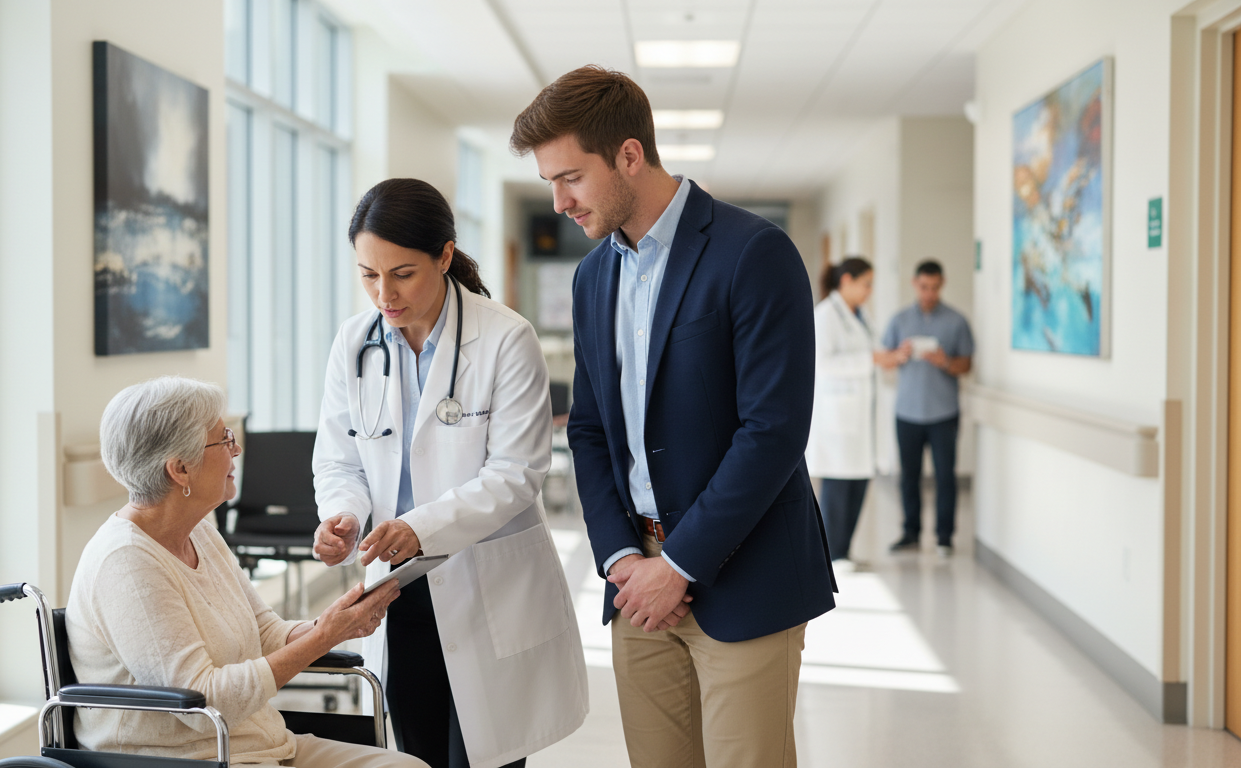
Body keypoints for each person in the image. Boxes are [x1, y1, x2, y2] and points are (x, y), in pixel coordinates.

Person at [511, 66, 837, 768]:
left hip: (745, 575)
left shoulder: (753, 252)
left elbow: (773, 430)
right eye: (550, 183)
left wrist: (680, 565)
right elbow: (589, 429)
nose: (560, 202)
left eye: (571, 178)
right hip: (637, 584)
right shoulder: (593, 277)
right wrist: (622, 558)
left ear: (629, 155)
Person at [311, 178, 588, 768]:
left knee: (485, 756)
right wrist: (343, 514)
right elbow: (339, 459)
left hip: (487, 583)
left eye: (402, 273)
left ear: (444, 255)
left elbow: (516, 473)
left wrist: (420, 527)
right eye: (368, 274)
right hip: (398, 590)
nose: (384, 293)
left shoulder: (505, 338)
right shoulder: (354, 343)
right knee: (417, 756)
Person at [67, 376, 419, 768]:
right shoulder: (127, 563)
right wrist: (324, 637)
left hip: (261, 744)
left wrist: (337, 622)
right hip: (189, 758)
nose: (236, 450)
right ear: (180, 469)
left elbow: (264, 632)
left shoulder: (199, 532)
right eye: (224, 440)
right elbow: (201, 703)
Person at [878, 260, 974, 557]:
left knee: (945, 477)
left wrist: (945, 361)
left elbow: (966, 365)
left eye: (934, 287)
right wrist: (900, 355)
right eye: (924, 287)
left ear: (941, 284)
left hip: (944, 414)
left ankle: (944, 537)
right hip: (907, 412)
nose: (929, 293)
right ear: (914, 284)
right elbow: (883, 359)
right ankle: (911, 533)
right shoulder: (900, 320)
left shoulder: (957, 321)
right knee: (909, 476)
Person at [807, 256, 880, 564]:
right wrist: (871, 360)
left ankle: (844, 552)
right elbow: (823, 363)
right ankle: (834, 555)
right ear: (847, 281)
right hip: (837, 419)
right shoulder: (826, 315)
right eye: (866, 284)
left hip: (857, 416)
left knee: (858, 484)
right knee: (838, 489)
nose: (869, 291)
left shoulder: (859, 315)